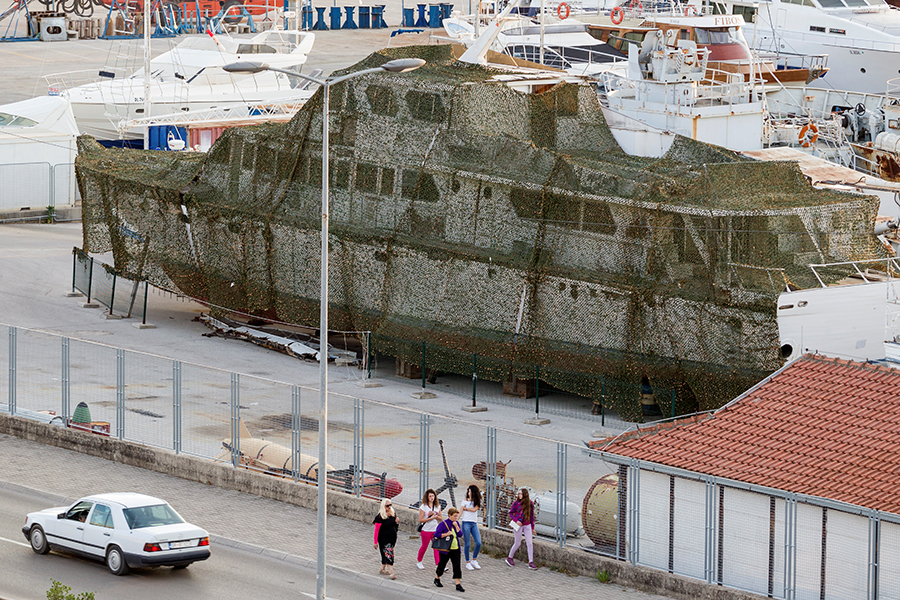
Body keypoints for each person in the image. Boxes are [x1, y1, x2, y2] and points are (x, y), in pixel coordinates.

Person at [433, 507, 464, 592]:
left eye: (457, 516)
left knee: (457, 566)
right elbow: (437, 534)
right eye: (454, 516)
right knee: (442, 564)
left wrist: (457, 527)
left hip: (455, 548)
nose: (456, 518)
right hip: (445, 549)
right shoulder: (443, 524)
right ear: (449, 515)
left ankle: (458, 584)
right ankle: (437, 578)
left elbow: (460, 535)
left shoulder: (456, 523)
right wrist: (446, 534)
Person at [505, 488, 537, 570]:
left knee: (529, 543)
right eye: (518, 494)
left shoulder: (530, 504)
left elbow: (532, 516)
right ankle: (509, 557)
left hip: (527, 525)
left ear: (525, 495)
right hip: (518, 525)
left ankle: (531, 562)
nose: (519, 495)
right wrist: (516, 520)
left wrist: (532, 528)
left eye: (521, 494)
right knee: (517, 543)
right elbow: (511, 513)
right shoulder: (516, 503)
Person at [373, 498, 399, 579]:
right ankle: (392, 573)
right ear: (383, 506)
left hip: (392, 539)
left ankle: (382, 569)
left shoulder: (393, 514)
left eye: (390, 505)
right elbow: (376, 531)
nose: (389, 507)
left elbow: (395, 528)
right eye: (387, 506)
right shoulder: (380, 517)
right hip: (384, 539)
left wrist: (396, 522)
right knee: (389, 555)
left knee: (386, 554)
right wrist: (375, 542)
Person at [417, 488, 442, 569]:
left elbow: (440, 518)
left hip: (435, 529)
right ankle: (419, 561)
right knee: (424, 546)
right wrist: (430, 517)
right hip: (426, 530)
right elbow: (420, 520)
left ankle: (438, 564)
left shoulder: (437, 506)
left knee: (436, 547)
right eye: (430, 496)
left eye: (433, 496)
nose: (432, 498)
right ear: (427, 497)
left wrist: (435, 515)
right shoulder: (423, 507)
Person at [460, 485, 482, 570]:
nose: (469, 493)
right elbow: (461, 511)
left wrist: (466, 509)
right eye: (468, 492)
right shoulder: (465, 501)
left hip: (474, 523)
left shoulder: (478, 501)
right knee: (467, 543)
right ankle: (467, 562)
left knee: (478, 542)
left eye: (470, 492)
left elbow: (474, 509)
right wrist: (455, 520)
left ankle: (474, 559)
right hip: (466, 523)